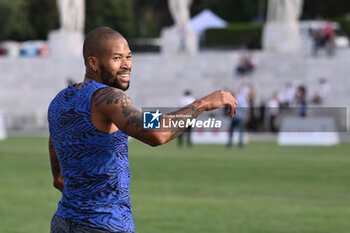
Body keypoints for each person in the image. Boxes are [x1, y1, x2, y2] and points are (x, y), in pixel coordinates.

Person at [48, 27, 237, 233]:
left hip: (63, 222)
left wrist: (59, 175)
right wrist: (202, 104)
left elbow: (54, 147)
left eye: (128, 57)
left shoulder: (61, 99)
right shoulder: (108, 97)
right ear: (93, 62)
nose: (127, 64)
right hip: (104, 224)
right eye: (117, 58)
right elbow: (157, 133)